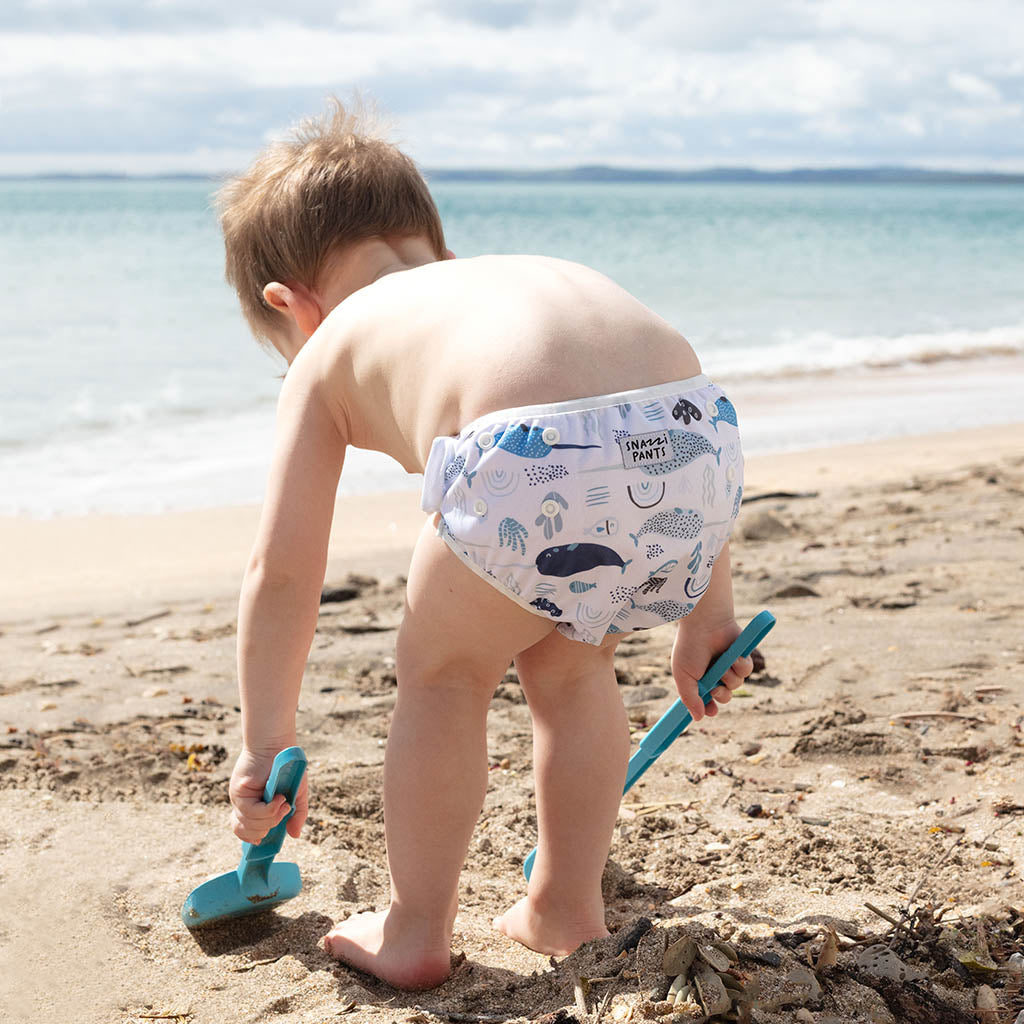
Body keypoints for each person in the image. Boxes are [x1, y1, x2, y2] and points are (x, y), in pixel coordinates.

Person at [219, 100, 753, 990]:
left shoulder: (328, 348)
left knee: (444, 675)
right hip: (698, 440)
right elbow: (653, 422)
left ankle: (415, 928)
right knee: (577, 669)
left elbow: (282, 572)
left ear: (290, 307)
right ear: (438, 249)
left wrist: (265, 739)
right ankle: (564, 905)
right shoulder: (515, 276)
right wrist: (710, 611)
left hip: (533, 462)